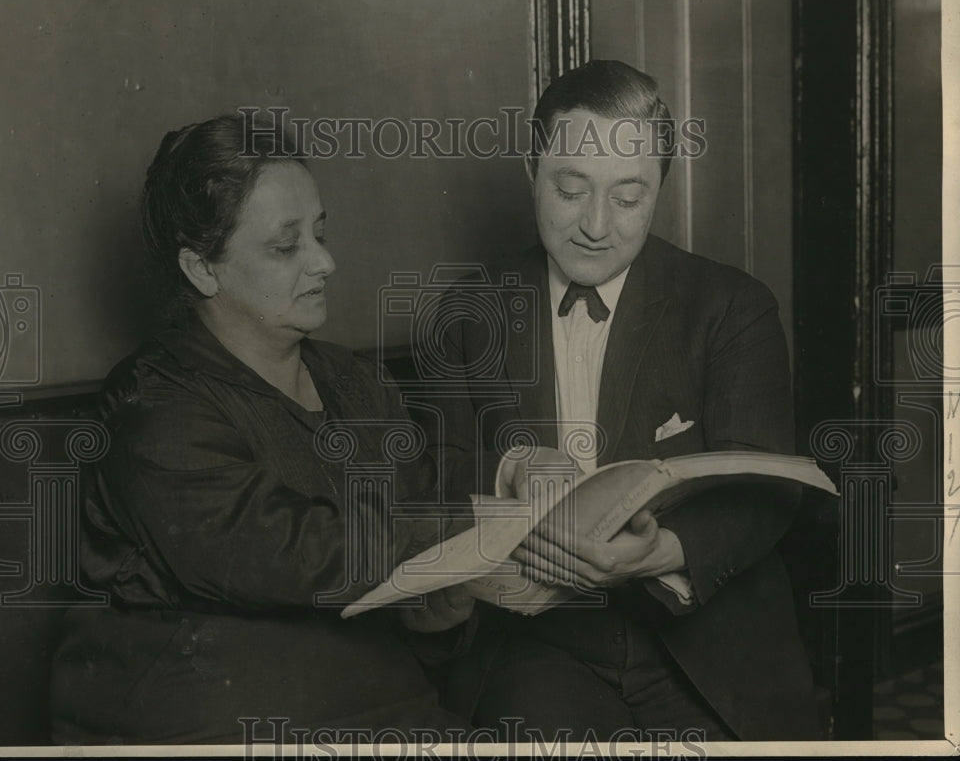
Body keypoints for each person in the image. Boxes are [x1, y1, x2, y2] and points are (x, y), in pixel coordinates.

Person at [49, 115, 477, 745]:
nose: (325, 262)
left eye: (321, 233)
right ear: (201, 269)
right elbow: (287, 549)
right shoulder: (152, 405)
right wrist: (483, 522)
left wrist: (431, 614)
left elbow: (412, 547)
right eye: (286, 246)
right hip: (207, 727)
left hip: (381, 712)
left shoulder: (358, 385)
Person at [433, 60, 819, 741]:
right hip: (541, 645)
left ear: (661, 191)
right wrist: (507, 468)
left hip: (707, 638)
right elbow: (435, 477)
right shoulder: (470, 309)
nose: (595, 225)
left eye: (628, 197)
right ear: (532, 173)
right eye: (570, 189)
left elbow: (767, 489)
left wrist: (662, 550)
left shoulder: (732, 307)